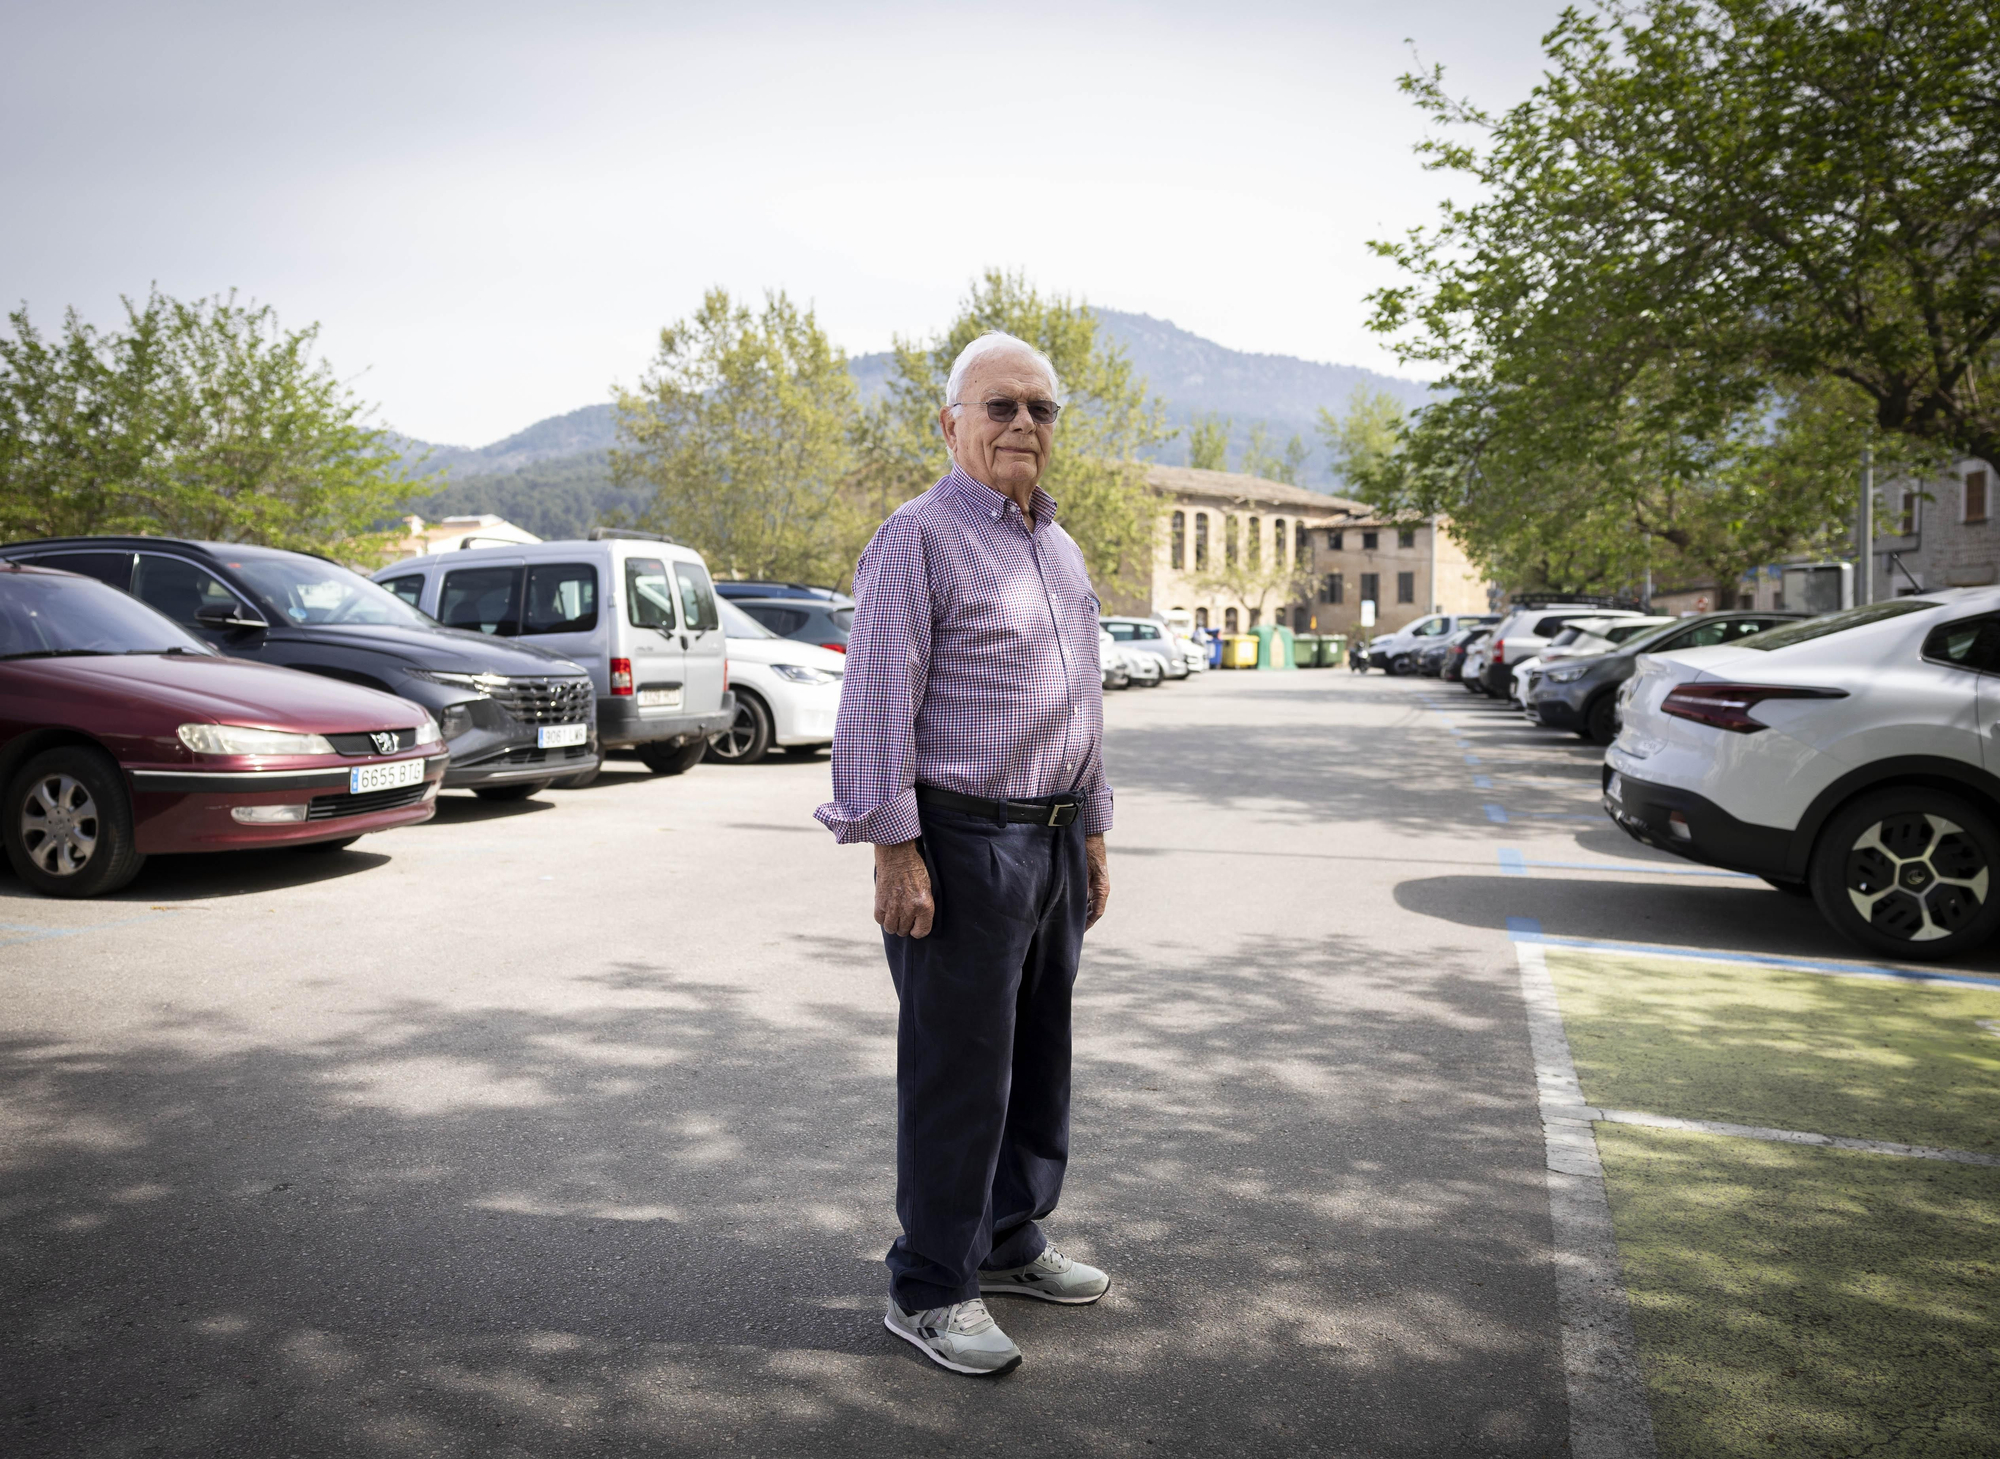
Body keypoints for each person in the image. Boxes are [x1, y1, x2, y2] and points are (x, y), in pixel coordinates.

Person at [816, 330, 1113, 1377]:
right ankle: (930, 1285)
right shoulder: (919, 536)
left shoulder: (1057, 545)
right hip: (961, 838)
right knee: (959, 1073)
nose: (1021, 424)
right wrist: (894, 852)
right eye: (998, 407)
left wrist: (1094, 828)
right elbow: (873, 708)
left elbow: (1082, 703)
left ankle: (1009, 1239)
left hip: (1051, 839)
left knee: (1038, 1060)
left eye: (1038, 408)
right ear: (950, 424)